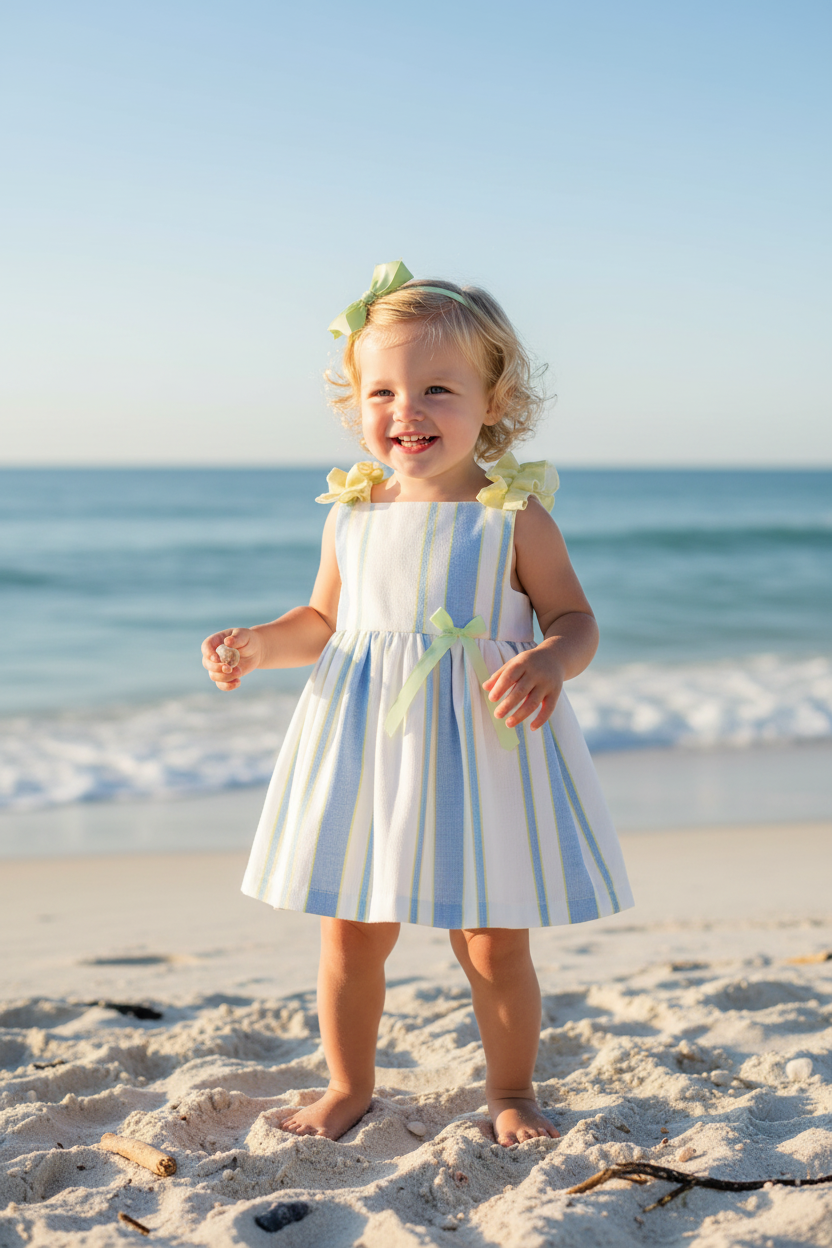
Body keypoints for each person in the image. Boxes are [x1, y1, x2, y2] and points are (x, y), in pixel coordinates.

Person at [201, 260, 633, 1146]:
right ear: (356, 402)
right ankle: (348, 1085)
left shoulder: (514, 517)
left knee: (491, 943)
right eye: (384, 391)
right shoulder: (351, 515)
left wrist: (552, 660)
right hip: (367, 747)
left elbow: (577, 619)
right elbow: (321, 621)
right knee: (352, 933)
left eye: (439, 388)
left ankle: (511, 1092)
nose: (409, 410)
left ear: (493, 400)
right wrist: (257, 644)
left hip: (484, 751)